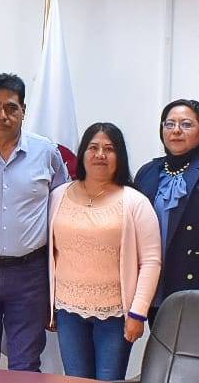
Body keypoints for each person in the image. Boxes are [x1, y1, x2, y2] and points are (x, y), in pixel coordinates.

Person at [0, 73, 69, 371]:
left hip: (30, 274)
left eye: (11, 108)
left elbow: (64, 208)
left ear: (23, 111)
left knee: (25, 364)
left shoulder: (47, 153)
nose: (2, 115)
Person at [48, 123, 161, 381]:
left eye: (109, 149)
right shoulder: (57, 196)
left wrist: (138, 312)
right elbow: (50, 253)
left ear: (119, 157)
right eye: (93, 147)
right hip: (68, 311)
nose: (100, 154)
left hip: (116, 315)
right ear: (82, 153)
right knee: (75, 379)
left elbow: (151, 262)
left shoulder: (135, 202)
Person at [133, 99, 199, 316]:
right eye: (169, 124)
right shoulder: (147, 172)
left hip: (193, 286)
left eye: (186, 124)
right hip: (150, 283)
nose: (176, 130)